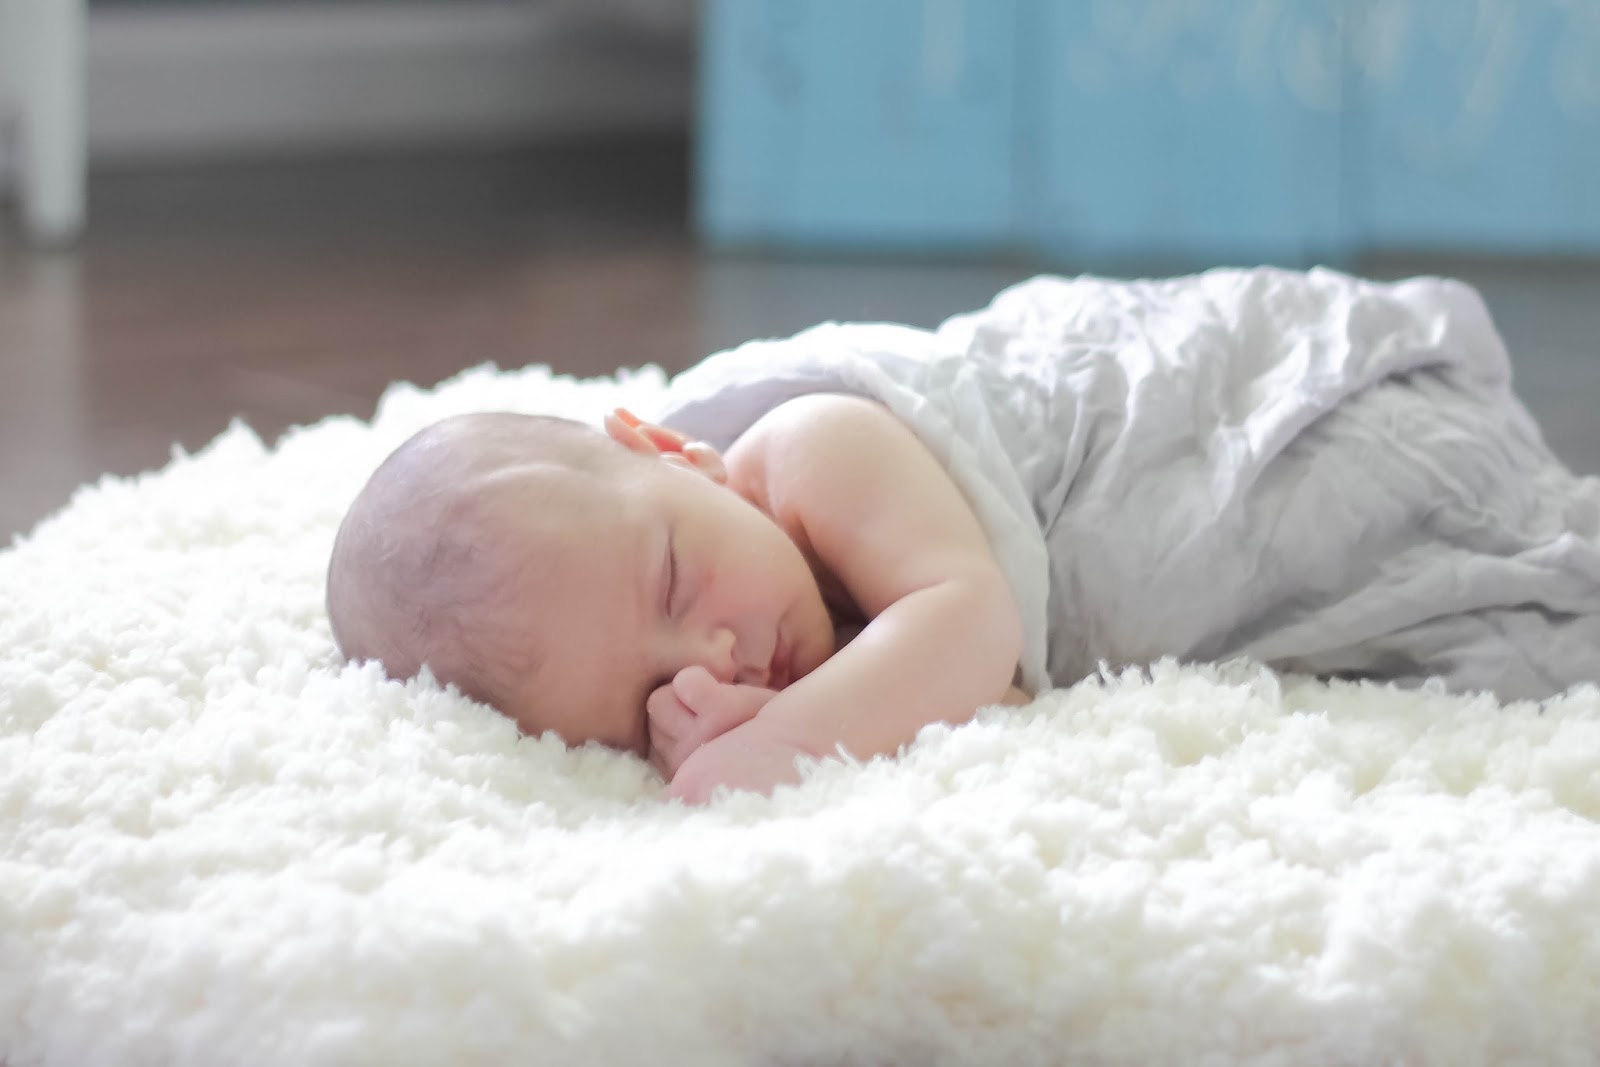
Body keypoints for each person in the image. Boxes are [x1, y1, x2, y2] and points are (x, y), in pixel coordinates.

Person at [327, 267, 1600, 803]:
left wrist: (770, 745)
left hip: (1191, 427)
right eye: (647, 697)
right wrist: (776, 708)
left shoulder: (810, 444)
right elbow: (972, 701)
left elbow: (969, 621)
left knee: (1346, 525)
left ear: (671, 452)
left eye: (673, 578)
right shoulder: (751, 615)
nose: (710, 652)